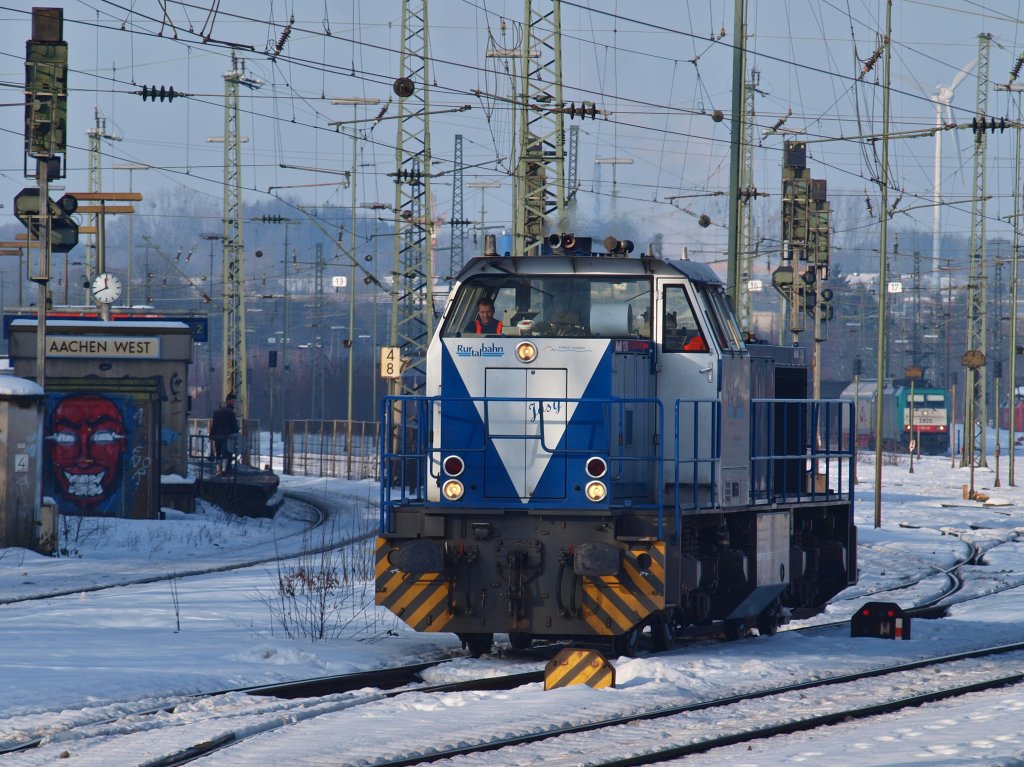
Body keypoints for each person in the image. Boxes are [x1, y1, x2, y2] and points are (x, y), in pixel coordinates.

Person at [210, 392, 240, 474]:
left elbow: (214, 424)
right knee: (227, 454)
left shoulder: (217, 412)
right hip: (227, 437)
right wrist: (236, 435)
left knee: (218, 454)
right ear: (228, 401)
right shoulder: (231, 413)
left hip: (217, 437)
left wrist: (212, 435)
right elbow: (234, 426)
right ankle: (225, 470)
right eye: (233, 401)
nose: (234, 403)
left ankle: (218, 470)